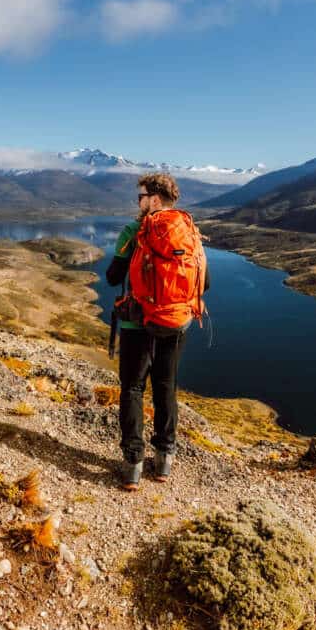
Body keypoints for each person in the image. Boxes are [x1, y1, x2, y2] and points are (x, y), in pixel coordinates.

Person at [105, 172, 209, 490]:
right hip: (177, 321)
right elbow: (205, 283)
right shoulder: (190, 232)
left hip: (139, 322)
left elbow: (111, 277)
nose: (137, 202)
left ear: (153, 199)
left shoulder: (133, 230)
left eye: (140, 197)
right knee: (166, 387)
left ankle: (133, 463)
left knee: (133, 388)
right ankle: (164, 460)